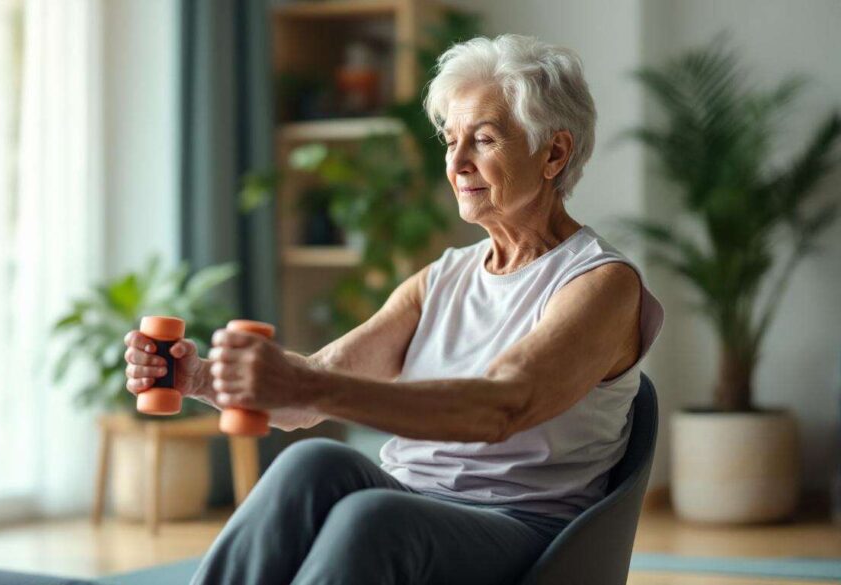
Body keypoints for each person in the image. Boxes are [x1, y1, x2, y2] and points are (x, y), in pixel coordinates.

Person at [123, 33, 665, 585]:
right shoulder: (442, 278)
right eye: (450, 140)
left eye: (483, 139)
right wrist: (199, 379)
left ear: (554, 153)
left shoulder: (601, 285)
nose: (456, 162)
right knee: (312, 463)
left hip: (523, 528)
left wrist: (306, 387)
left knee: (374, 516)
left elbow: (503, 406)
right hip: (411, 497)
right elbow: (310, 391)